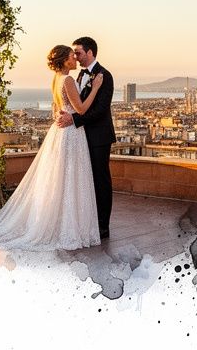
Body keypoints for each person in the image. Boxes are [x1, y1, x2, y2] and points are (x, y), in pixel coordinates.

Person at [0, 45, 103, 251]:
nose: (75, 59)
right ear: (64, 60)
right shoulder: (67, 80)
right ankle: (67, 227)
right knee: (70, 178)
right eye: (71, 56)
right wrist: (95, 88)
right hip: (71, 134)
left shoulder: (56, 79)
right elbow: (82, 109)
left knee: (61, 178)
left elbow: (57, 108)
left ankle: (60, 224)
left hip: (61, 132)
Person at [57, 36, 114, 240]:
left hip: (99, 137)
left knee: (100, 181)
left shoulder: (104, 75)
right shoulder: (79, 76)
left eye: (79, 53)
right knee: (83, 182)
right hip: (80, 138)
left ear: (90, 53)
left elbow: (100, 111)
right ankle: (86, 223)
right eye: (74, 54)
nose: (76, 57)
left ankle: (102, 226)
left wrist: (73, 120)